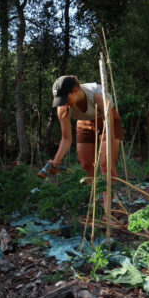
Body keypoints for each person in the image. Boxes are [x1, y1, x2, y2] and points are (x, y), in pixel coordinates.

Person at [48, 75, 124, 211]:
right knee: (86, 165)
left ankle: (107, 212)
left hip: (108, 120)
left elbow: (109, 128)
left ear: (76, 91)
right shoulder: (63, 108)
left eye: (65, 99)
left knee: (106, 165)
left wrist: (109, 157)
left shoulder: (97, 96)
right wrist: (56, 162)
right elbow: (66, 139)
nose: (63, 103)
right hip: (85, 122)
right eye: (60, 101)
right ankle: (93, 207)